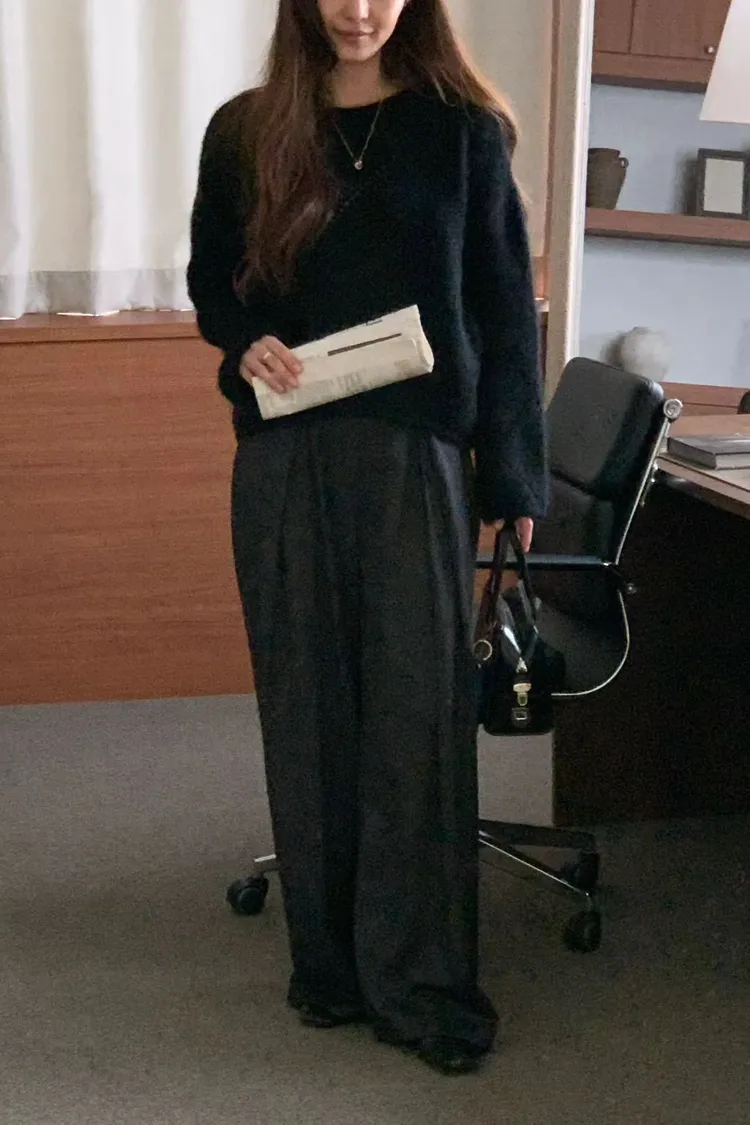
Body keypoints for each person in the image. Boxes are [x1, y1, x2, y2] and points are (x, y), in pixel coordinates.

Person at [187, 0, 547, 1077]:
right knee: (307, 710)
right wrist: (245, 341)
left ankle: (420, 982)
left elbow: (501, 307)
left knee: (414, 718)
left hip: (413, 457)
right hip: (285, 453)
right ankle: (332, 966)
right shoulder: (244, 130)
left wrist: (512, 472)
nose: (359, 8)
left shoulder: (462, 132)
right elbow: (212, 279)